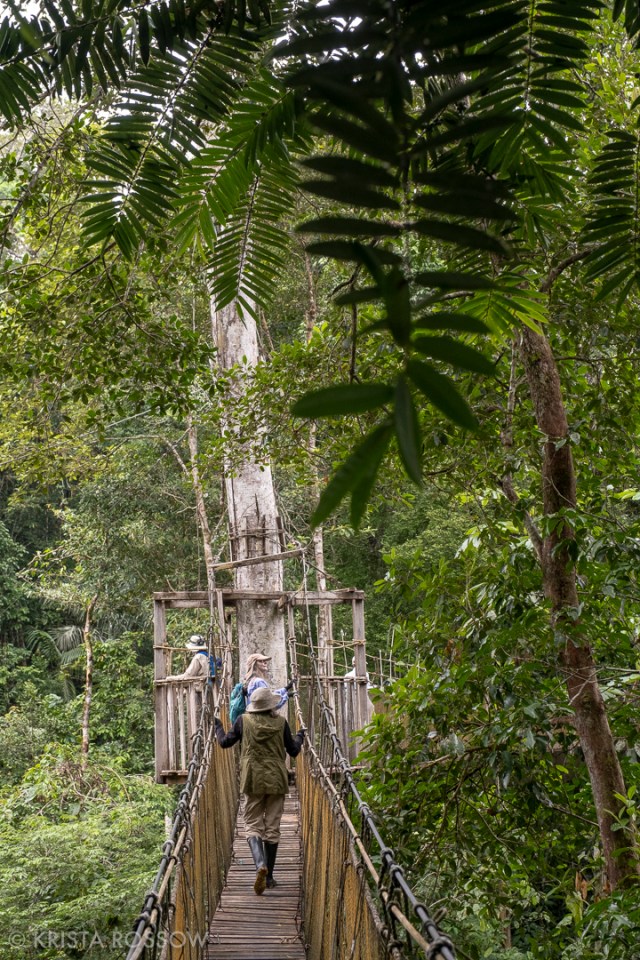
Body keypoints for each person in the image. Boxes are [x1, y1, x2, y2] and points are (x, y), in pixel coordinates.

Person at [214, 686, 305, 895]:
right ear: (272, 706)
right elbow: (293, 750)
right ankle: (270, 877)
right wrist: (300, 736)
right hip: (276, 779)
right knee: (272, 827)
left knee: (253, 823)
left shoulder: (243, 721)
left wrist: (218, 726)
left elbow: (224, 742)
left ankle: (259, 865)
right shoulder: (281, 723)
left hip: (252, 778)